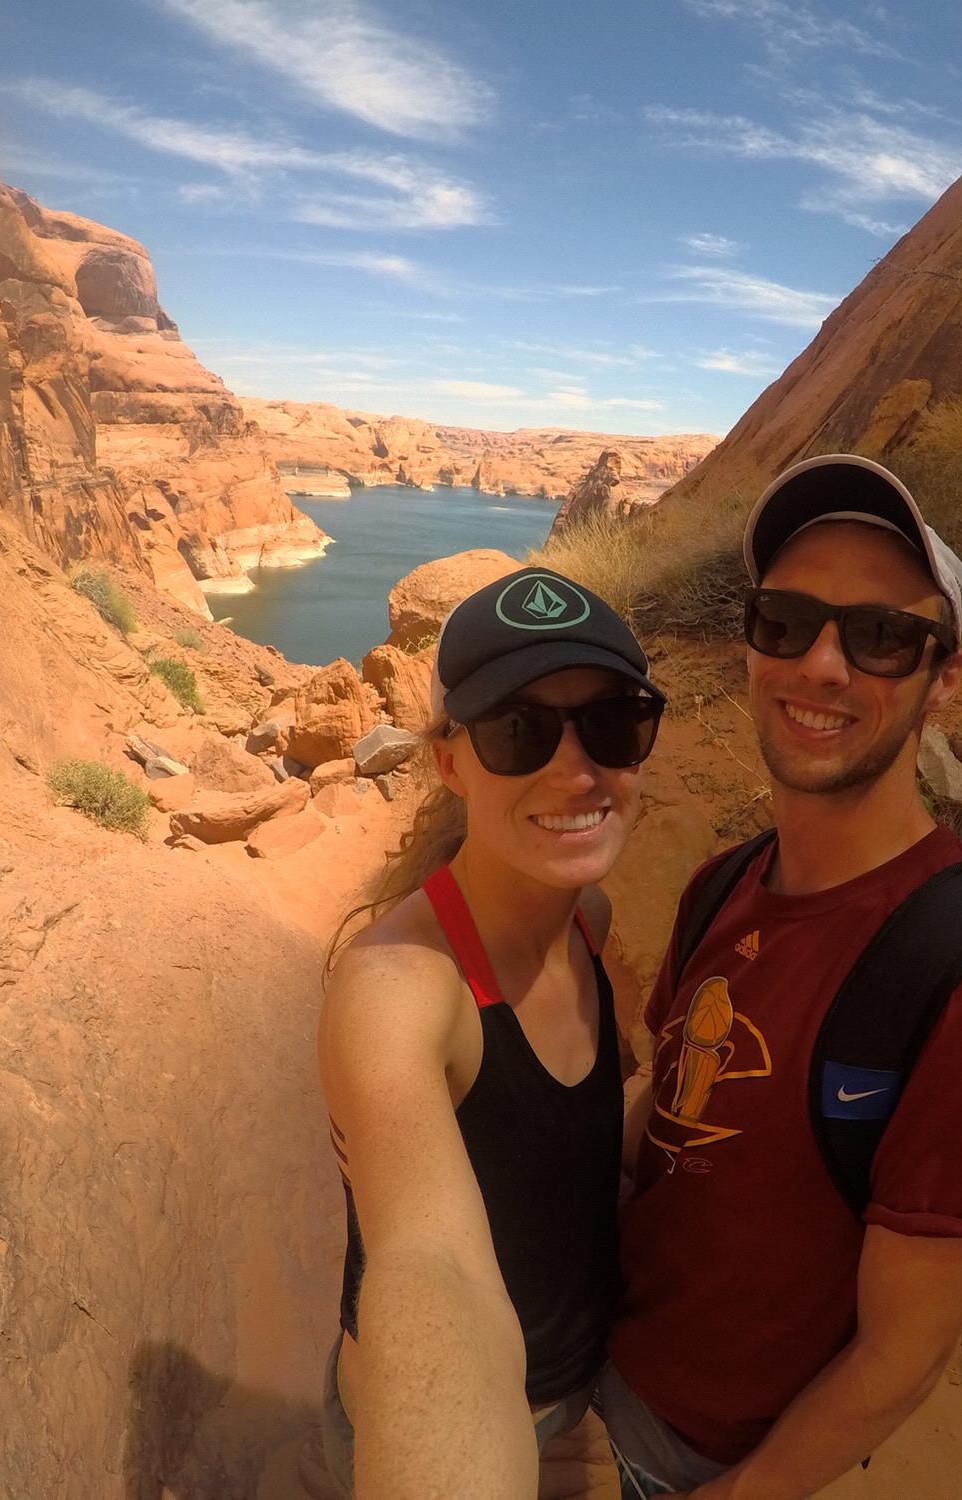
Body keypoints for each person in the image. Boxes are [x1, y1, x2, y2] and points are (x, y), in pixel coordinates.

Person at [599, 453, 962, 1499]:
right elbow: (675, 1108)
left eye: (878, 637)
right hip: (589, 1365)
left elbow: (898, 1358)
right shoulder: (724, 883)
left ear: (940, 680)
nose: (820, 665)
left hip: (688, 1463)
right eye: (785, 621)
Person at [317, 565, 668, 1498]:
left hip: (579, 1392)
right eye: (520, 731)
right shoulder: (397, 988)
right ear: (449, 761)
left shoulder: (584, 916)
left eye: (611, 723)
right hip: (506, 1424)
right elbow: (432, 1272)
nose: (575, 767)